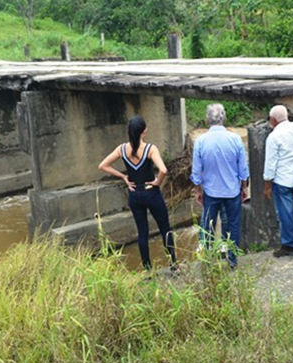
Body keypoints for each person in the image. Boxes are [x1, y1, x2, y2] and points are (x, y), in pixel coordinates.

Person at [98, 115, 177, 271]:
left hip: (135, 195)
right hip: (151, 193)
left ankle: (147, 270)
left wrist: (124, 177)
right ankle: (174, 266)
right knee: (165, 229)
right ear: (144, 131)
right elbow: (163, 170)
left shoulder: (121, 149)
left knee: (142, 233)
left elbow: (103, 165)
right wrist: (157, 182)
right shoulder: (150, 149)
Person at [191, 103, 249, 268]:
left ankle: (208, 260)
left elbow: (197, 171)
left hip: (211, 192)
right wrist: (244, 187)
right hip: (232, 191)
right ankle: (232, 260)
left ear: (207, 119)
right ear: (224, 118)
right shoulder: (235, 139)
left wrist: (198, 190)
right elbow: (243, 169)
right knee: (233, 226)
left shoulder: (200, 141)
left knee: (208, 226)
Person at [263, 105, 293, 258]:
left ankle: (290, 245)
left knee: (285, 214)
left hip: (283, 180)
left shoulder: (273, 137)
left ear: (273, 120)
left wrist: (267, 184)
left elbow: (270, 165)